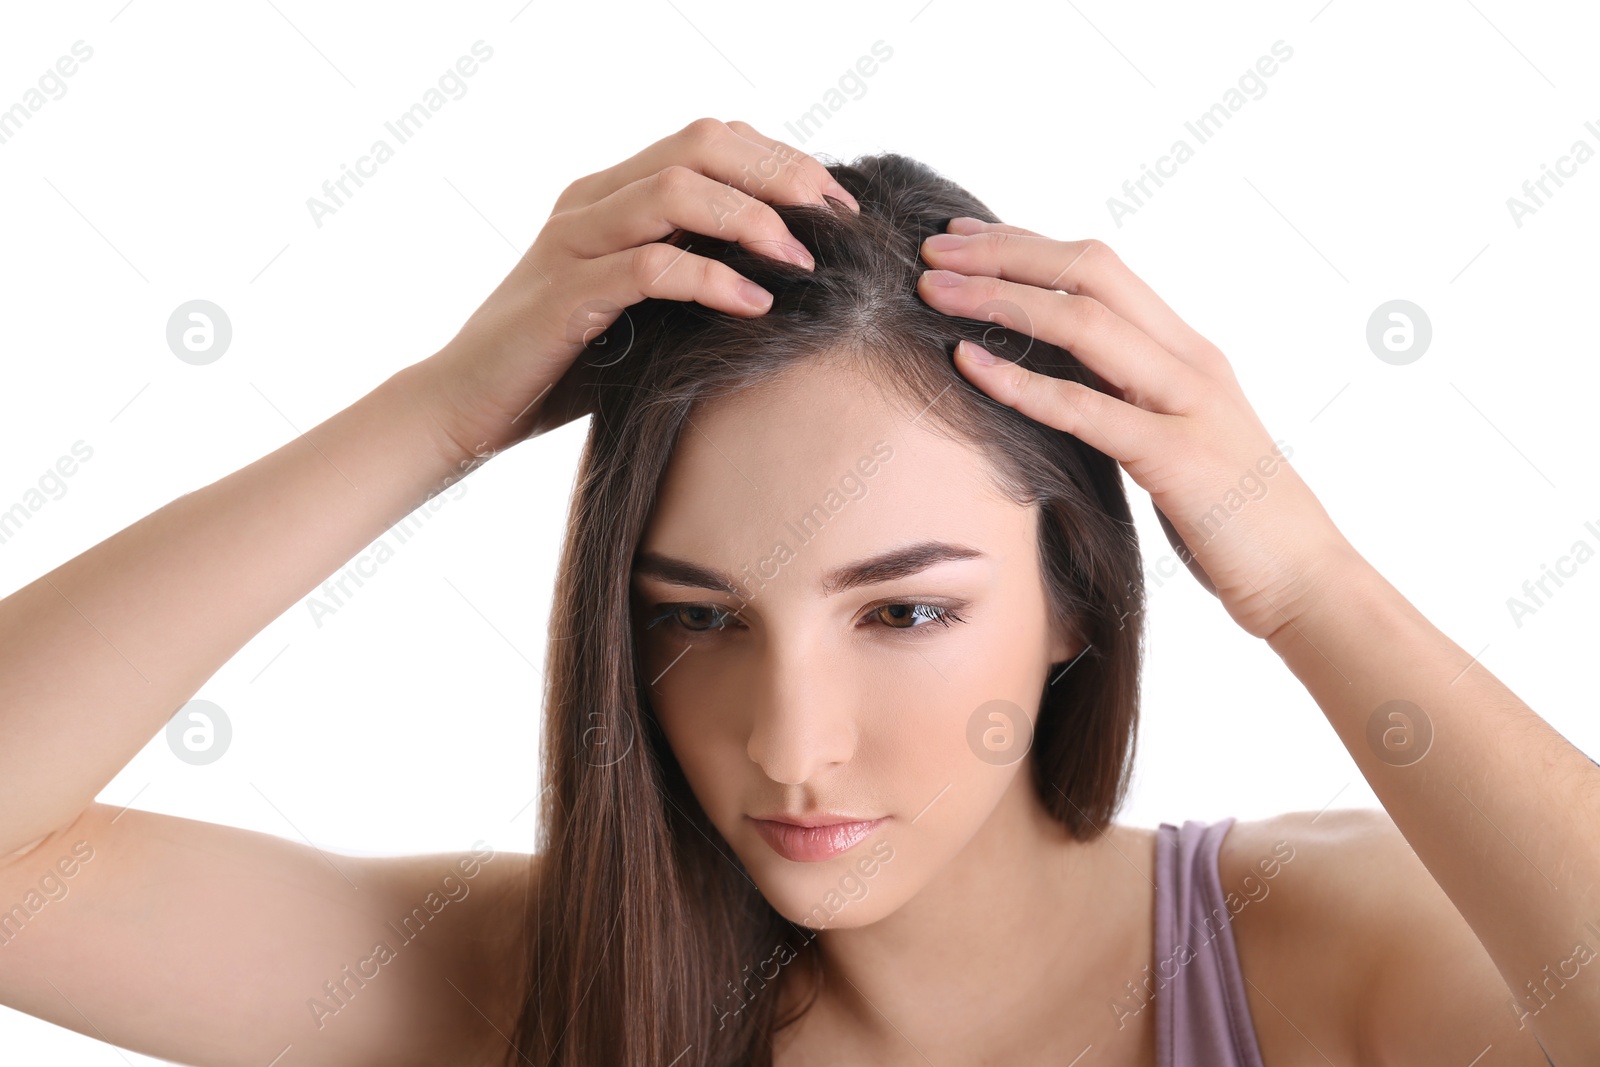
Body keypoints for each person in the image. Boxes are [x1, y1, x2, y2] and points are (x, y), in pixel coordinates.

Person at [0, 117, 1592, 1067]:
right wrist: (442, 411)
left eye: (903, 611)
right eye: (699, 617)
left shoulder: (1307, 955)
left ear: (1077, 603)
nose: (791, 743)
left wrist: (1307, 577)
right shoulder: (531, 987)